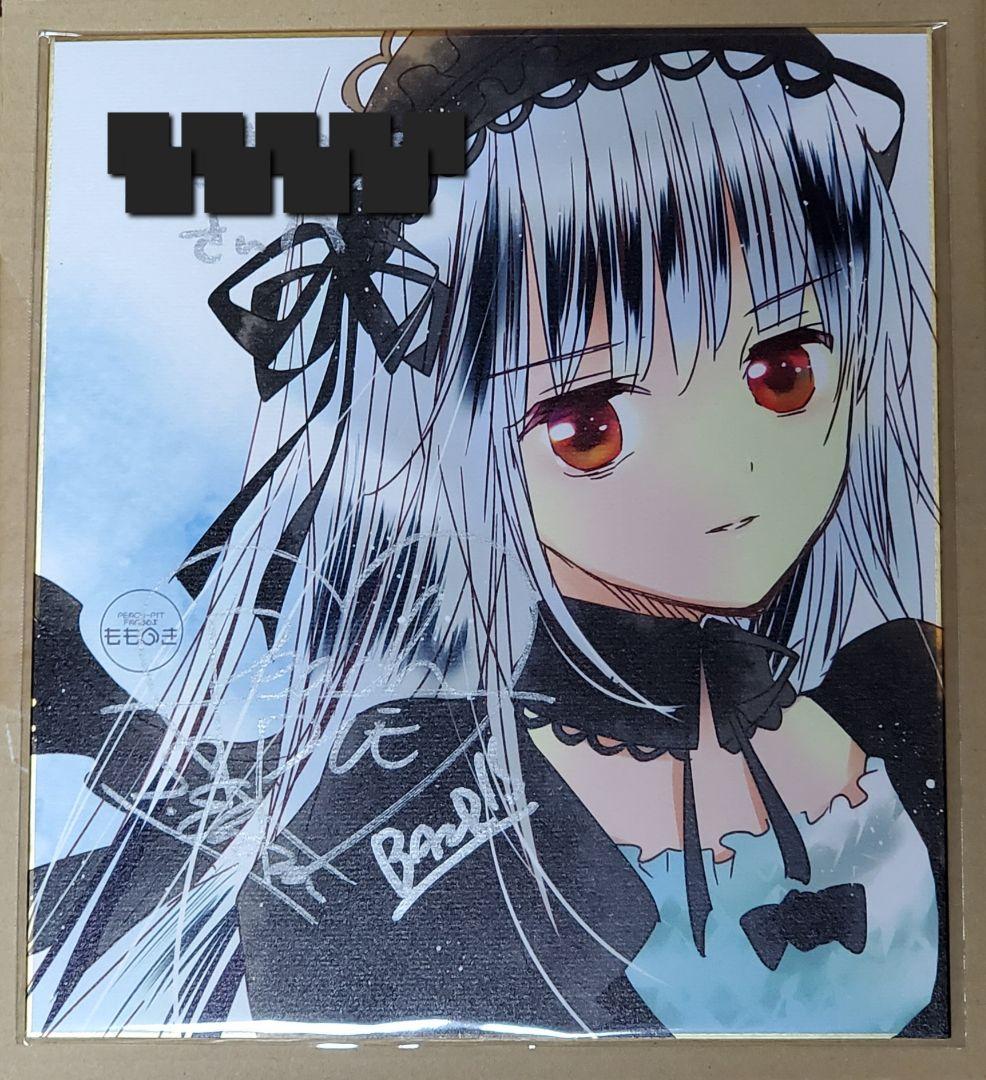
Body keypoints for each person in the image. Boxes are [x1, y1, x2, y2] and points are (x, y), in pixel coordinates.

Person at [29, 27, 945, 1038]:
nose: (731, 471)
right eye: (590, 427)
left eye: (781, 374)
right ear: (446, 425)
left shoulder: (903, 696)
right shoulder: (395, 827)